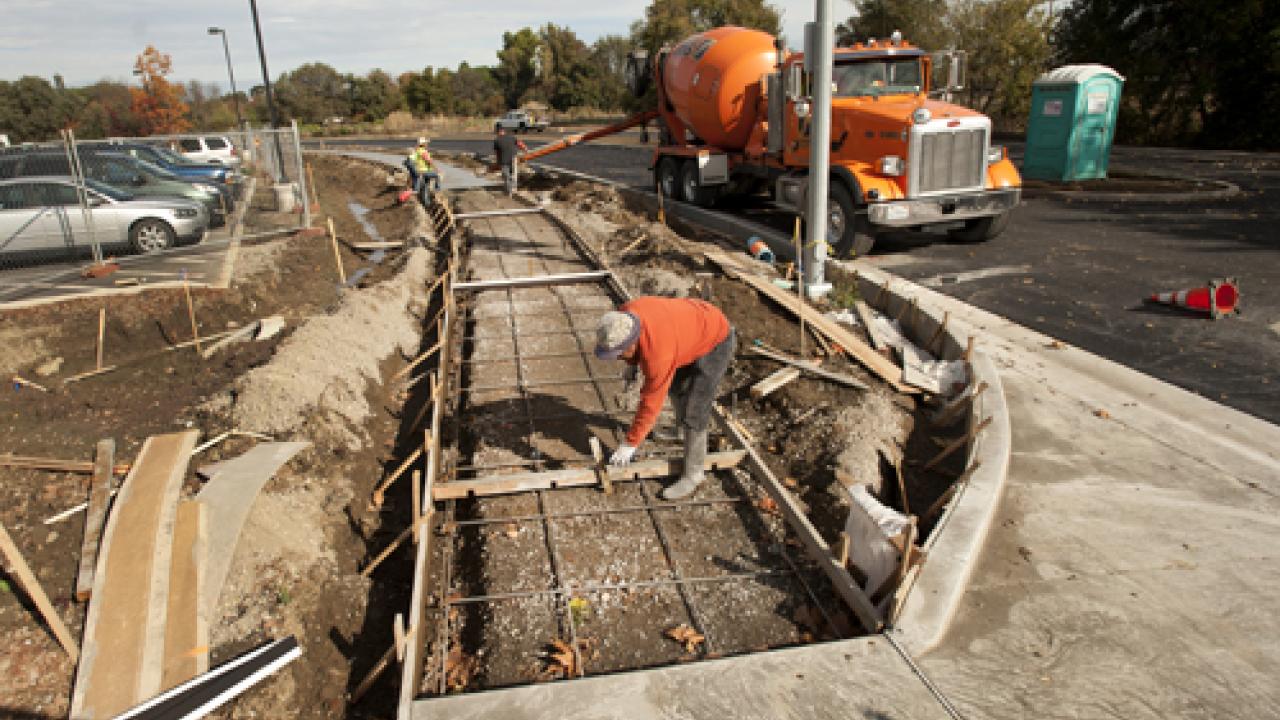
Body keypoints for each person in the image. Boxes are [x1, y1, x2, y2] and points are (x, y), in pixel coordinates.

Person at [594, 297, 736, 500]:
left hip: (715, 340)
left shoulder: (658, 355)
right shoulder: (625, 314)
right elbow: (639, 345)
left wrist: (630, 444)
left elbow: (651, 402)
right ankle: (680, 432)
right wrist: (632, 364)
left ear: (631, 343)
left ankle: (694, 474)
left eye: (619, 354)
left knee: (695, 409)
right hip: (688, 331)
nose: (617, 358)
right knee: (677, 387)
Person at [493, 126, 527, 196]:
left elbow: (496, 153)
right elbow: (520, 144)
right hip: (513, 159)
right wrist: (525, 149)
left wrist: (498, 162)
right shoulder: (511, 137)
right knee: (513, 174)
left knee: (506, 175)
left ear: (498, 132)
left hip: (505, 160)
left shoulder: (497, 140)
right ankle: (512, 189)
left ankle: (510, 190)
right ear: (504, 131)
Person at [404, 137, 439, 202]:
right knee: (437, 176)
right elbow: (429, 161)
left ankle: (426, 202)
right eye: (426, 143)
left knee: (425, 187)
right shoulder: (423, 151)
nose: (427, 144)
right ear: (424, 144)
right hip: (424, 171)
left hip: (422, 171)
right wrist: (437, 170)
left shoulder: (417, 151)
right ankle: (437, 190)